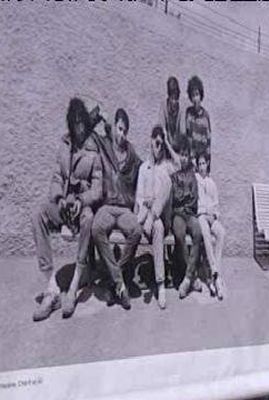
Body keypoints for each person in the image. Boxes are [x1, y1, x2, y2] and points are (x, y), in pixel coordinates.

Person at [31, 98, 103, 321]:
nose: (79, 128)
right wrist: (59, 197)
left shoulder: (94, 148)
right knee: (38, 214)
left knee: (88, 219)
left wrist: (82, 199)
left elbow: (98, 189)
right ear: (70, 124)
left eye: (82, 122)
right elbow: (56, 177)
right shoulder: (64, 145)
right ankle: (52, 289)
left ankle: (74, 286)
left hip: (81, 208)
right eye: (75, 123)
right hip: (63, 206)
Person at [90, 108, 142, 311]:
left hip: (124, 209)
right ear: (114, 128)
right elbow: (87, 130)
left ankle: (113, 280)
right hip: (106, 206)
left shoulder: (131, 153)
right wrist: (100, 117)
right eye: (119, 129)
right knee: (96, 229)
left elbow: (145, 169)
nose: (122, 134)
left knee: (136, 231)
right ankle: (121, 284)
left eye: (125, 131)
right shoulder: (103, 144)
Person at [135, 125, 181, 309]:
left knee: (167, 181)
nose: (158, 147)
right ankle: (160, 284)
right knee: (158, 226)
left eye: (160, 144)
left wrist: (167, 142)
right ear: (150, 142)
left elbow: (178, 164)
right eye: (156, 143)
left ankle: (153, 215)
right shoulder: (143, 168)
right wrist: (146, 202)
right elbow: (138, 197)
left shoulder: (166, 166)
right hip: (150, 220)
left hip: (163, 215)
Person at [170, 136, 203, 299]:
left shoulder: (193, 176)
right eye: (181, 154)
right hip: (177, 214)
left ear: (189, 156)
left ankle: (187, 279)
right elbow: (174, 198)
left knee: (197, 232)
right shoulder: (174, 176)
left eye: (185, 155)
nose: (183, 158)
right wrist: (181, 201)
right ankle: (192, 276)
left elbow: (193, 198)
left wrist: (184, 202)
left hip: (189, 213)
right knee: (179, 235)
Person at [195, 153, 226, 300]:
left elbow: (216, 204)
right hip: (201, 215)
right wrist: (204, 212)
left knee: (221, 232)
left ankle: (216, 273)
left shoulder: (211, 183)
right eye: (199, 164)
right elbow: (195, 203)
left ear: (207, 164)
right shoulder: (195, 180)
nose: (202, 167)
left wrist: (214, 215)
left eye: (204, 164)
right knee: (206, 236)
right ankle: (216, 276)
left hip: (211, 216)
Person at [185, 75, 212, 169]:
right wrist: (191, 158)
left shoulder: (205, 116)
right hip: (191, 160)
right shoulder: (188, 114)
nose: (195, 98)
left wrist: (207, 163)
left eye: (197, 94)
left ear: (201, 95)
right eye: (193, 95)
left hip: (202, 161)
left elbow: (208, 141)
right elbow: (188, 137)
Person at [159, 76, 184, 147]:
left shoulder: (181, 109)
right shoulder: (163, 107)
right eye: (172, 98)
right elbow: (162, 127)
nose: (174, 102)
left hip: (179, 146)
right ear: (169, 97)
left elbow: (182, 132)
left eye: (176, 99)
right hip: (166, 145)